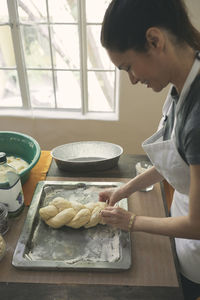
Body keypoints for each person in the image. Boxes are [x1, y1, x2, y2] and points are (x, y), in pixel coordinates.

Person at [99, 1, 200, 299]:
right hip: (178, 223)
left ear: (155, 41)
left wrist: (131, 222)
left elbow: (197, 225)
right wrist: (126, 190)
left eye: (128, 66)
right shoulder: (181, 84)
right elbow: (177, 159)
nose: (132, 79)